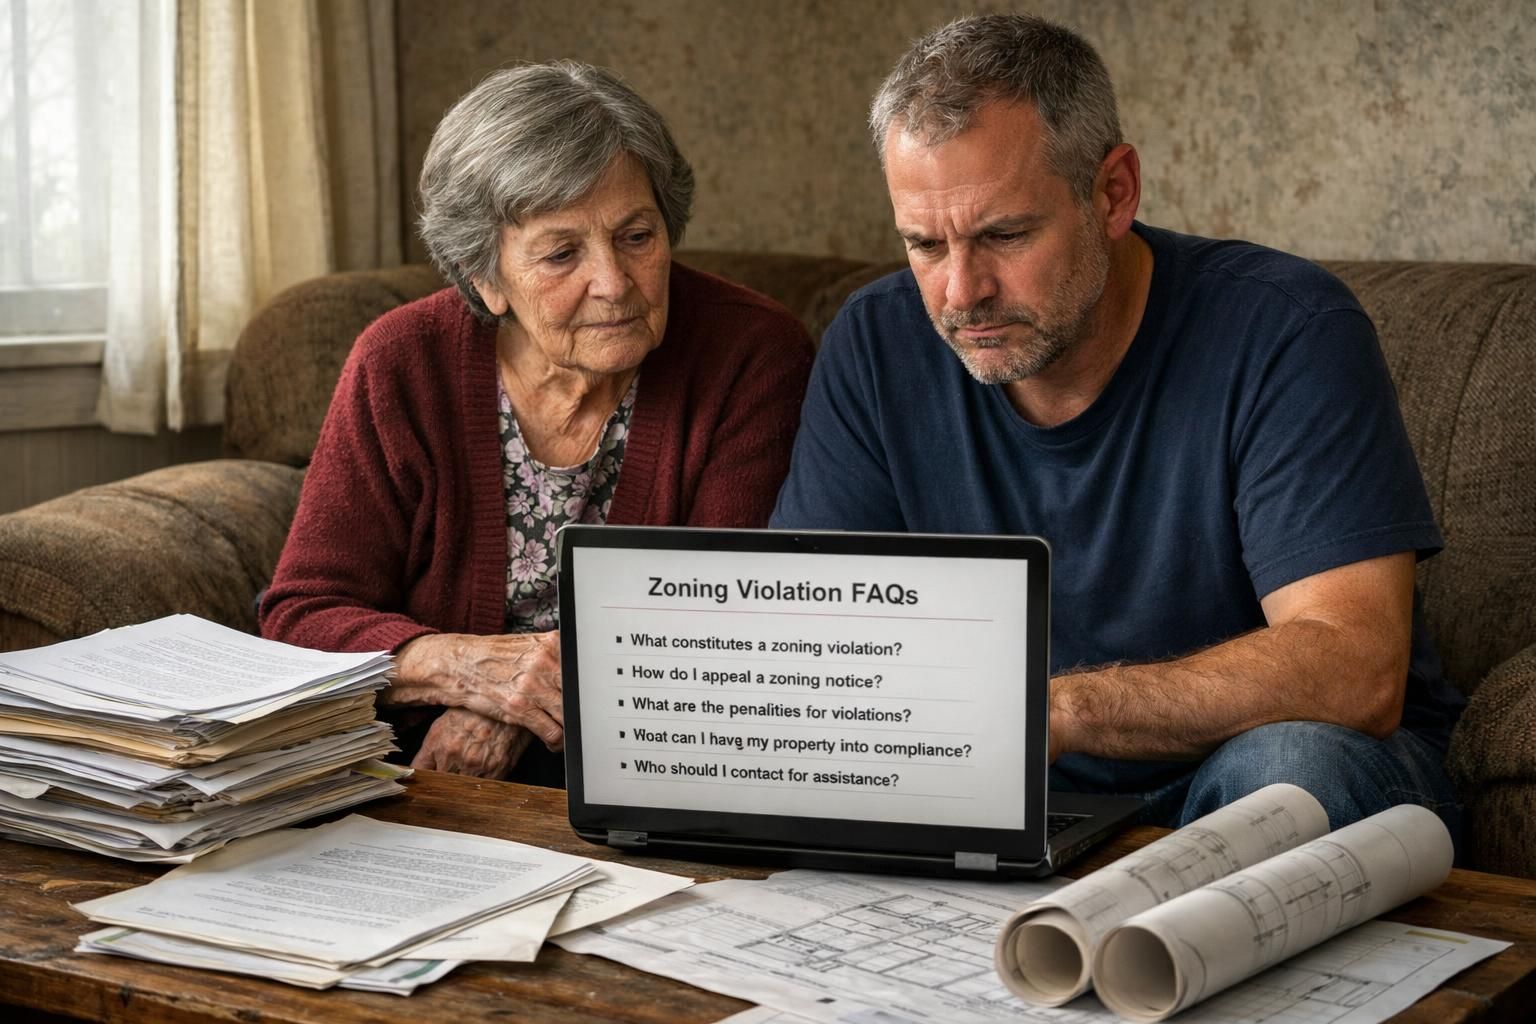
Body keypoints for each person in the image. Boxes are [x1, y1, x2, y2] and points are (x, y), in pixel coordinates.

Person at [771, 14, 1464, 839]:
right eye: (924, 244)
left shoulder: (1287, 329)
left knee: (1289, 774)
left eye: (1004, 234)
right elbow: (814, 642)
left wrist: (1064, 710)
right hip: (1010, 795)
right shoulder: (876, 342)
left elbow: (1356, 668)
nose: (960, 294)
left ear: (1113, 192)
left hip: (1271, 763)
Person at [262, 61, 813, 784]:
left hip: (657, 773)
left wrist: (515, 706)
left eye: (637, 236)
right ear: (484, 276)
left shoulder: (751, 356)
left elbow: (726, 620)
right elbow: (301, 615)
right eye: (562, 253)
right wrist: (467, 672)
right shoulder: (401, 364)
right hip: (408, 773)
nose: (613, 282)